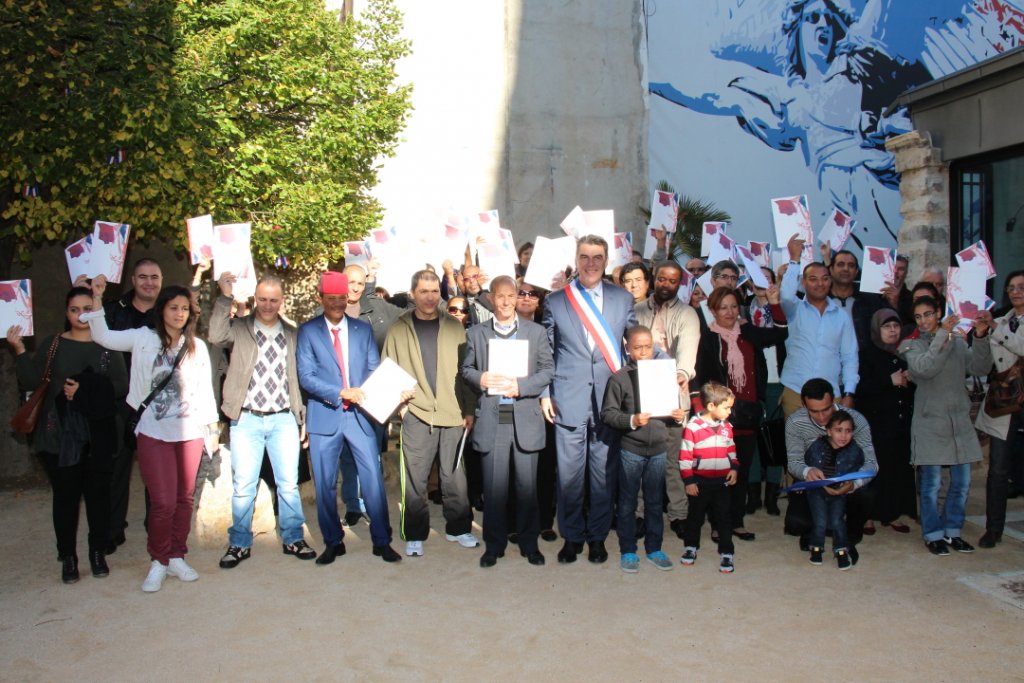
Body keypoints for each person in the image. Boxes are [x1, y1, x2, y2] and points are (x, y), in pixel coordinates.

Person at [83, 277, 218, 593]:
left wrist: (211, 429)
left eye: (185, 309)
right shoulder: (142, 338)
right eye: (173, 308)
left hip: (189, 432)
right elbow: (102, 336)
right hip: (153, 431)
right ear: (162, 310)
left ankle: (176, 555)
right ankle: (158, 560)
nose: (179, 314)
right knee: (162, 502)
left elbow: (205, 392)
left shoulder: (196, 347)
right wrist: (98, 299)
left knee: (184, 499)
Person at [7, 286, 128, 583]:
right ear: (67, 313)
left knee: (98, 497)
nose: (81, 315)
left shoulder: (107, 345)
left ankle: (97, 552)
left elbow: (120, 386)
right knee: (65, 498)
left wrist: (86, 390)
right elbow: (33, 380)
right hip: (58, 436)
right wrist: (20, 350)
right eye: (75, 310)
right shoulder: (53, 345)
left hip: (98, 435)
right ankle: (68, 558)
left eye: (87, 309)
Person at [209, 272, 318, 569]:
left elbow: (300, 378)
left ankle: (293, 537)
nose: (267, 305)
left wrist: (302, 416)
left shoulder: (294, 334)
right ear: (255, 299)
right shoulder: (240, 328)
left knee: (288, 485)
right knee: (244, 486)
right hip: (246, 419)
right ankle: (239, 543)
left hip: (283, 418)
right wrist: (225, 296)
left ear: (281, 301)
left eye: (273, 300)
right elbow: (216, 335)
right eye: (262, 299)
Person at [541, 235, 638, 564]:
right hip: (567, 398)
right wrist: (544, 394)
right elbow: (547, 354)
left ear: (606, 260)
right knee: (568, 475)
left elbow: (636, 349)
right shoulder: (556, 300)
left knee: (603, 473)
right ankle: (571, 537)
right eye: (585, 256)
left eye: (597, 257)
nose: (591, 263)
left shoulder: (623, 299)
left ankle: (597, 537)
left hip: (609, 400)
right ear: (577, 259)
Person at [297, 272, 403, 565]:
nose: (337, 304)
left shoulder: (361, 330)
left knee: (372, 480)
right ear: (321, 299)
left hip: (360, 416)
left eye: (341, 298)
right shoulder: (308, 331)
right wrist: (341, 392)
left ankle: (382, 541)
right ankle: (333, 542)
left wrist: (392, 392)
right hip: (325, 415)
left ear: (347, 299)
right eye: (331, 299)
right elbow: (306, 377)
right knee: (325, 484)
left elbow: (372, 368)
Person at [383, 270, 478, 557]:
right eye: (423, 291)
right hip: (418, 413)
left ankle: (459, 528)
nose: (429, 296)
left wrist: (469, 409)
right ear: (412, 293)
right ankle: (414, 533)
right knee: (415, 478)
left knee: (454, 478)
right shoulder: (399, 328)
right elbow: (388, 369)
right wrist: (401, 407)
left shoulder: (454, 326)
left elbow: (466, 372)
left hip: (453, 413)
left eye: (434, 291)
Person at [461, 275, 554, 568]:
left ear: (516, 299)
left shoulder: (535, 332)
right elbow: (466, 369)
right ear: (490, 298)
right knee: (495, 487)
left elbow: (547, 370)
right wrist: (481, 378)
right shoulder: (476, 333)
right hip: (493, 415)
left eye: (510, 297)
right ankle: (494, 545)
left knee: (527, 487)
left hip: (524, 414)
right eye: (499, 296)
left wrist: (523, 387)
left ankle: (530, 544)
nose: (505, 302)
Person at [693, 285, 787, 541]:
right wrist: (705, 416)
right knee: (719, 472)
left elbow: (780, 334)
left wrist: (774, 302)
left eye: (734, 306)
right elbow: (701, 377)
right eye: (723, 307)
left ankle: (736, 522)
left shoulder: (747, 332)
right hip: (721, 417)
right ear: (713, 310)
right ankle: (717, 523)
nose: (730, 312)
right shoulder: (708, 337)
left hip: (748, 414)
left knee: (741, 471)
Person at [899, 296, 992, 555]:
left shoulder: (957, 341)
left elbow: (980, 367)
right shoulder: (910, 345)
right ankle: (932, 534)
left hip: (959, 421)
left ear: (939, 312)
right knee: (931, 485)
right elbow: (925, 368)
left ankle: (953, 532)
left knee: (961, 484)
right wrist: (943, 335)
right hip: (929, 423)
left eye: (928, 314)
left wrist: (982, 337)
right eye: (918, 317)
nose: (924, 320)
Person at [601, 326, 684, 573]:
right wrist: (631, 421)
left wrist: (677, 416)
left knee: (655, 501)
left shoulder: (665, 374)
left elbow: (671, 413)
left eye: (648, 346)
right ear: (627, 348)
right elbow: (608, 414)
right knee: (627, 502)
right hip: (631, 449)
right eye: (637, 347)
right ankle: (628, 550)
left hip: (659, 448)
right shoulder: (619, 377)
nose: (643, 352)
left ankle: (654, 547)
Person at [634, 260, 700, 539]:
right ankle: (637, 514)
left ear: (679, 284)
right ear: (654, 279)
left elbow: (687, 350)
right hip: (640, 397)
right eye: (662, 279)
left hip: (674, 397)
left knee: (672, 461)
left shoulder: (688, 314)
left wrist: (682, 373)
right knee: (637, 459)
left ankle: (679, 514)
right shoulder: (635, 310)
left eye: (672, 281)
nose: (666, 285)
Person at [102, 257, 162, 553]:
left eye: (154, 277)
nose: (149, 282)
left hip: (156, 404)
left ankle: (156, 527)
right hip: (120, 401)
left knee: (156, 470)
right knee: (117, 468)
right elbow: (92, 335)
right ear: (133, 281)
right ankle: (113, 529)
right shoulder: (115, 311)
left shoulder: (169, 312)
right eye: (143, 277)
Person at [785, 378, 878, 563]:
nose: (821, 417)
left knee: (868, 496)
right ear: (804, 405)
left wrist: (854, 484)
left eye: (826, 409)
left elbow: (872, 464)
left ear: (834, 401)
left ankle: (848, 538)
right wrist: (806, 471)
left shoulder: (855, 420)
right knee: (795, 523)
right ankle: (811, 531)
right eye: (814, 411)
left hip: (847, 481)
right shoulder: (795, 422)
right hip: (814, 485)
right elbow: (793, 462)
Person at [779, 235, 858, 417]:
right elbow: (785, 296)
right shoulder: (794, 309)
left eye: (824, 279)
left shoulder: (842, 317)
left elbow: (849, 357)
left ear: (830, 281)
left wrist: (849, 393)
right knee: (795, 446)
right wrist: (794, 260)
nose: (819, 283)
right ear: (803, 282)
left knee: (830, 446)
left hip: (831, 398)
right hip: (795, 393)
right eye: (813, 279)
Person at [975, 271, 1024, 548]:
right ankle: (993, 529)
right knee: (998, 469)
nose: (1016, 292)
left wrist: (994, 328)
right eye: (1011, 288)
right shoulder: (1001, 322)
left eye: (1021, 287)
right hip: (1005, 402)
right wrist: (981, 336)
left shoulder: (1000, 325)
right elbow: (982, 367)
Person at [857, 308, 915, 535]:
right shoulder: (867, 355)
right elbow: (861, 389)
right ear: (876, 329)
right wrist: (887, 380)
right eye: (887, 326)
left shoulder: (906, 352)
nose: (892, 331)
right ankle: (868, 515)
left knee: (897, 469)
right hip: (876, 423)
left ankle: (892, 513)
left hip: (900, 422)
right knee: (875, 469)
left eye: (896, 326)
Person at [679, 382, 739, 573]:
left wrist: (734, 468)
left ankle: (727, 552)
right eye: (726, 407)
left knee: (724, 517)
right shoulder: (693, 427)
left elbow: (731, 449)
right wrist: (689, 481)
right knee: (695, 517)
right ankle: (690, 547)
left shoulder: (727, 427)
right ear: (712, 406)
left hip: (722, 482)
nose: (729, 412)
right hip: (699, 482)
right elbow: (685, 457)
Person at [804, 411, 864, 570]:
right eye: (839, 430)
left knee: (838, 521)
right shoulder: (817, 445)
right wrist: (817, 482)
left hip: (839, 491)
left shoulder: (855, 450)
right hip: (817, 490)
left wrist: (849, 484)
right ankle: (816, 547)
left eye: (848, 431)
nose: (843, 435)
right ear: (828, 431)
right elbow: (808, 465)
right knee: (820, 521)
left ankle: (841, 549)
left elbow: (858, 468)